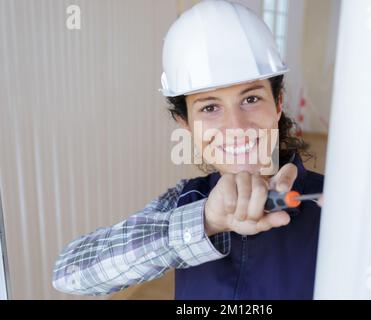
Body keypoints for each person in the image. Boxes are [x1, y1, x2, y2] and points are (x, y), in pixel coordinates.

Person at [52, 0, 324, 299]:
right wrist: (205, 221)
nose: (235, 125)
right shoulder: (186, 202)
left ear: (278, 102)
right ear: (186, 123)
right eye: (210, 107)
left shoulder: (330, 204)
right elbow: (70, 273)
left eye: (250, 99)